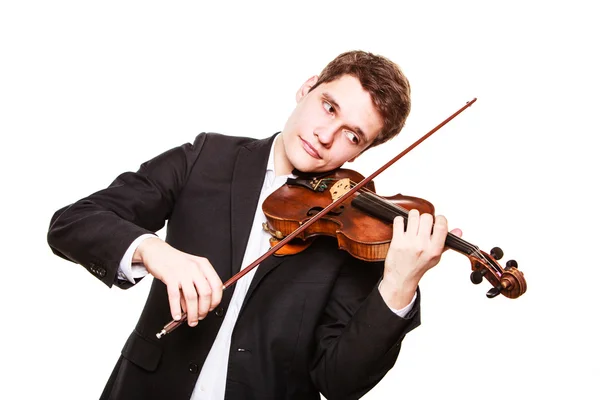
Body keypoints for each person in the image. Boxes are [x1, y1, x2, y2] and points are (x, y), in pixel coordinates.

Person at [47, 50, 461, 400]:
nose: (324, 134)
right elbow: (73, 222)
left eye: (352, 136)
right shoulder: (206, 157)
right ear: (308, 88)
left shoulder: (354, 233)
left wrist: (398, 285)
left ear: (360, 153)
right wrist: (153, 251)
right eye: (328, 106)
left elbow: (339, 381)